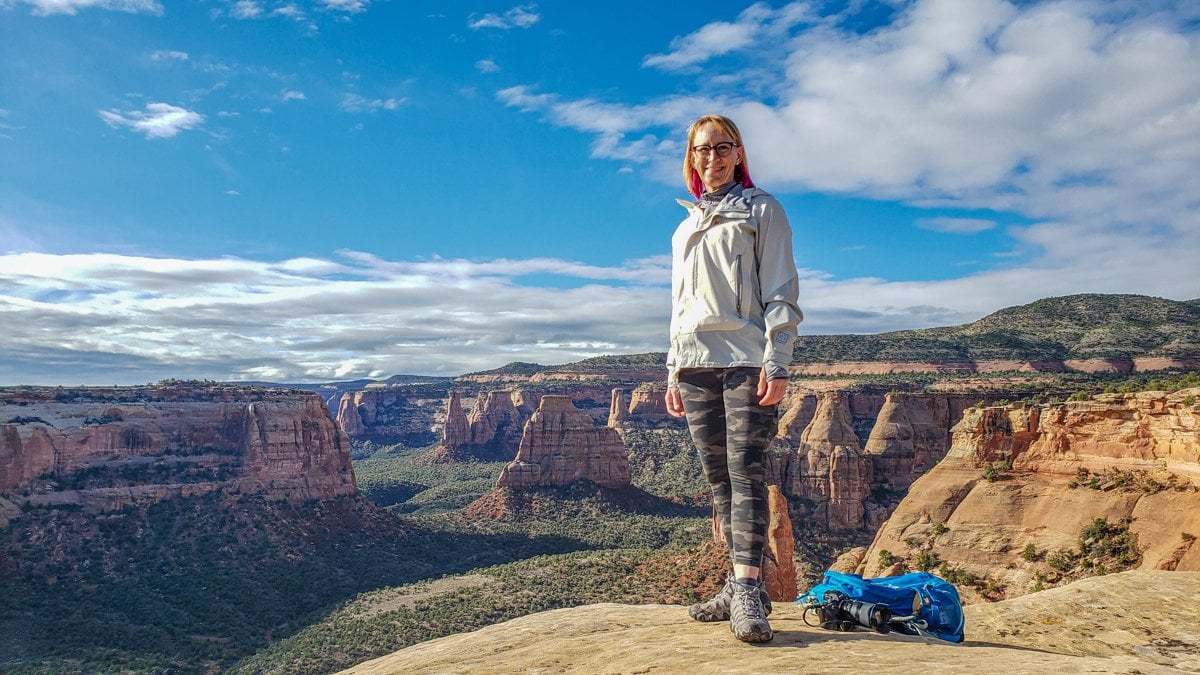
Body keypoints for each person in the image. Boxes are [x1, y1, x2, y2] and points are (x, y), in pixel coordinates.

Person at [664, 114, 802, 644]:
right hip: (694, 363)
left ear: (739, 154)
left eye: (723, 148)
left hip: (746, 357)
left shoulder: (763, 210)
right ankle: (736, 583)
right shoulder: (684, 226)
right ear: (691, 158)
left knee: (746, 470)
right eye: (702, 150)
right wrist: (672, 370)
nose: (713, 158)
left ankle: (747, 590)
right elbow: (679, 306)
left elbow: (782, 288)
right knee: (717, 477)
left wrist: (778, 359)